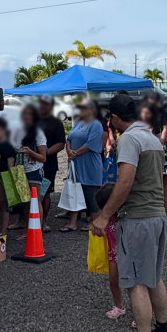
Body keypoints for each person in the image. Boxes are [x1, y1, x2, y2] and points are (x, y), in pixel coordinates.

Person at [92, 94, 167, 332]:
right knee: (153, 276)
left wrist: (104, 215)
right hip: (158, 215)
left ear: (115, 119)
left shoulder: (128, 139)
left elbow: (125, 182)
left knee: (135, 282)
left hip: (137, 218)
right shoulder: (152, 137)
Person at [64, 99, 104, 233]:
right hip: (76, 163)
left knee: (90, 195)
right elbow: (69, 139)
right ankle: (72, 223)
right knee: (75, 192)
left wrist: (75, 153)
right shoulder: (79, 123)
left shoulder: (96, 125)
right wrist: (69, 151)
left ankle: (94, 222)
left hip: (89, 164)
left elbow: (90, 144)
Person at [94, 183, 126, 320]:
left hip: (129, 254)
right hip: (113, 254)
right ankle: (119, 306)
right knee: (113, 280)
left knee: (134, 284)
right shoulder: (106, 220)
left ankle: (140, 311)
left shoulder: (126, 219)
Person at [16, 104, 48, 231]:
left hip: (34, 170)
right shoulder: (19, 132)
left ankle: (38, 231)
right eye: (24, 114)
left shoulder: (38, 133)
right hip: (20, 170)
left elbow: (43, 157)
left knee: (35, 200)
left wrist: (30, 152)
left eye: (29, 114)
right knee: (25, 201)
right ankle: (29, 230)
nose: (26, 117)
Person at [36, 96, 67, 231]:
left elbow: (61, 143)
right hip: (30, 163)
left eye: (46, 104)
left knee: (45, 192)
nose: (43, 106)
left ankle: (43, 222)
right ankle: (23, 220)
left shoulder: (56, 123)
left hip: (48, 163)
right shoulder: (33, 120)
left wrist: (46, 152)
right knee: (28, 193)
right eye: (41, 103)